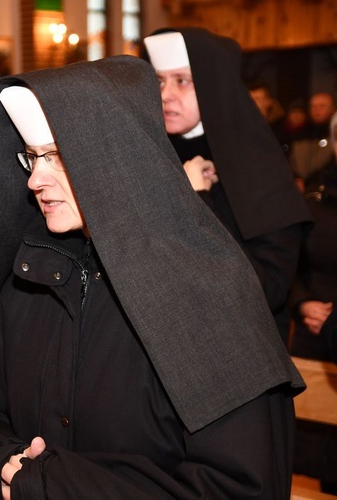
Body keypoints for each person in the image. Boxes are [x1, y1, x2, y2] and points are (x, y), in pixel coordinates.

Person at [0, 56, 305, 499]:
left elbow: (238, 487)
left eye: (57, 155)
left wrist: (50, 484)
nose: (35, 180)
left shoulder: (211, 295)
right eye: (33, 157)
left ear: (117, 159)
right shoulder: (32, 274)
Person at [143, 28, 311, 343]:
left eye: (182, 80)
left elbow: (265, 291)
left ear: (213, 86)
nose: (165, 94)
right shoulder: (148, 155)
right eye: (158, 80)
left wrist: (198, 199)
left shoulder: (260, 168)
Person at [288, 112, 337, 494]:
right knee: (313, 453)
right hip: (313, 337)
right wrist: (304, 304)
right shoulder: (312, 204)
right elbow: (288, 268)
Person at [290, 92, 337, 181]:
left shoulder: (333, 136)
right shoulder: (300, 135)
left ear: (333, 109)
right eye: (313, 106)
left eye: (322, 106)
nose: (316, 110)